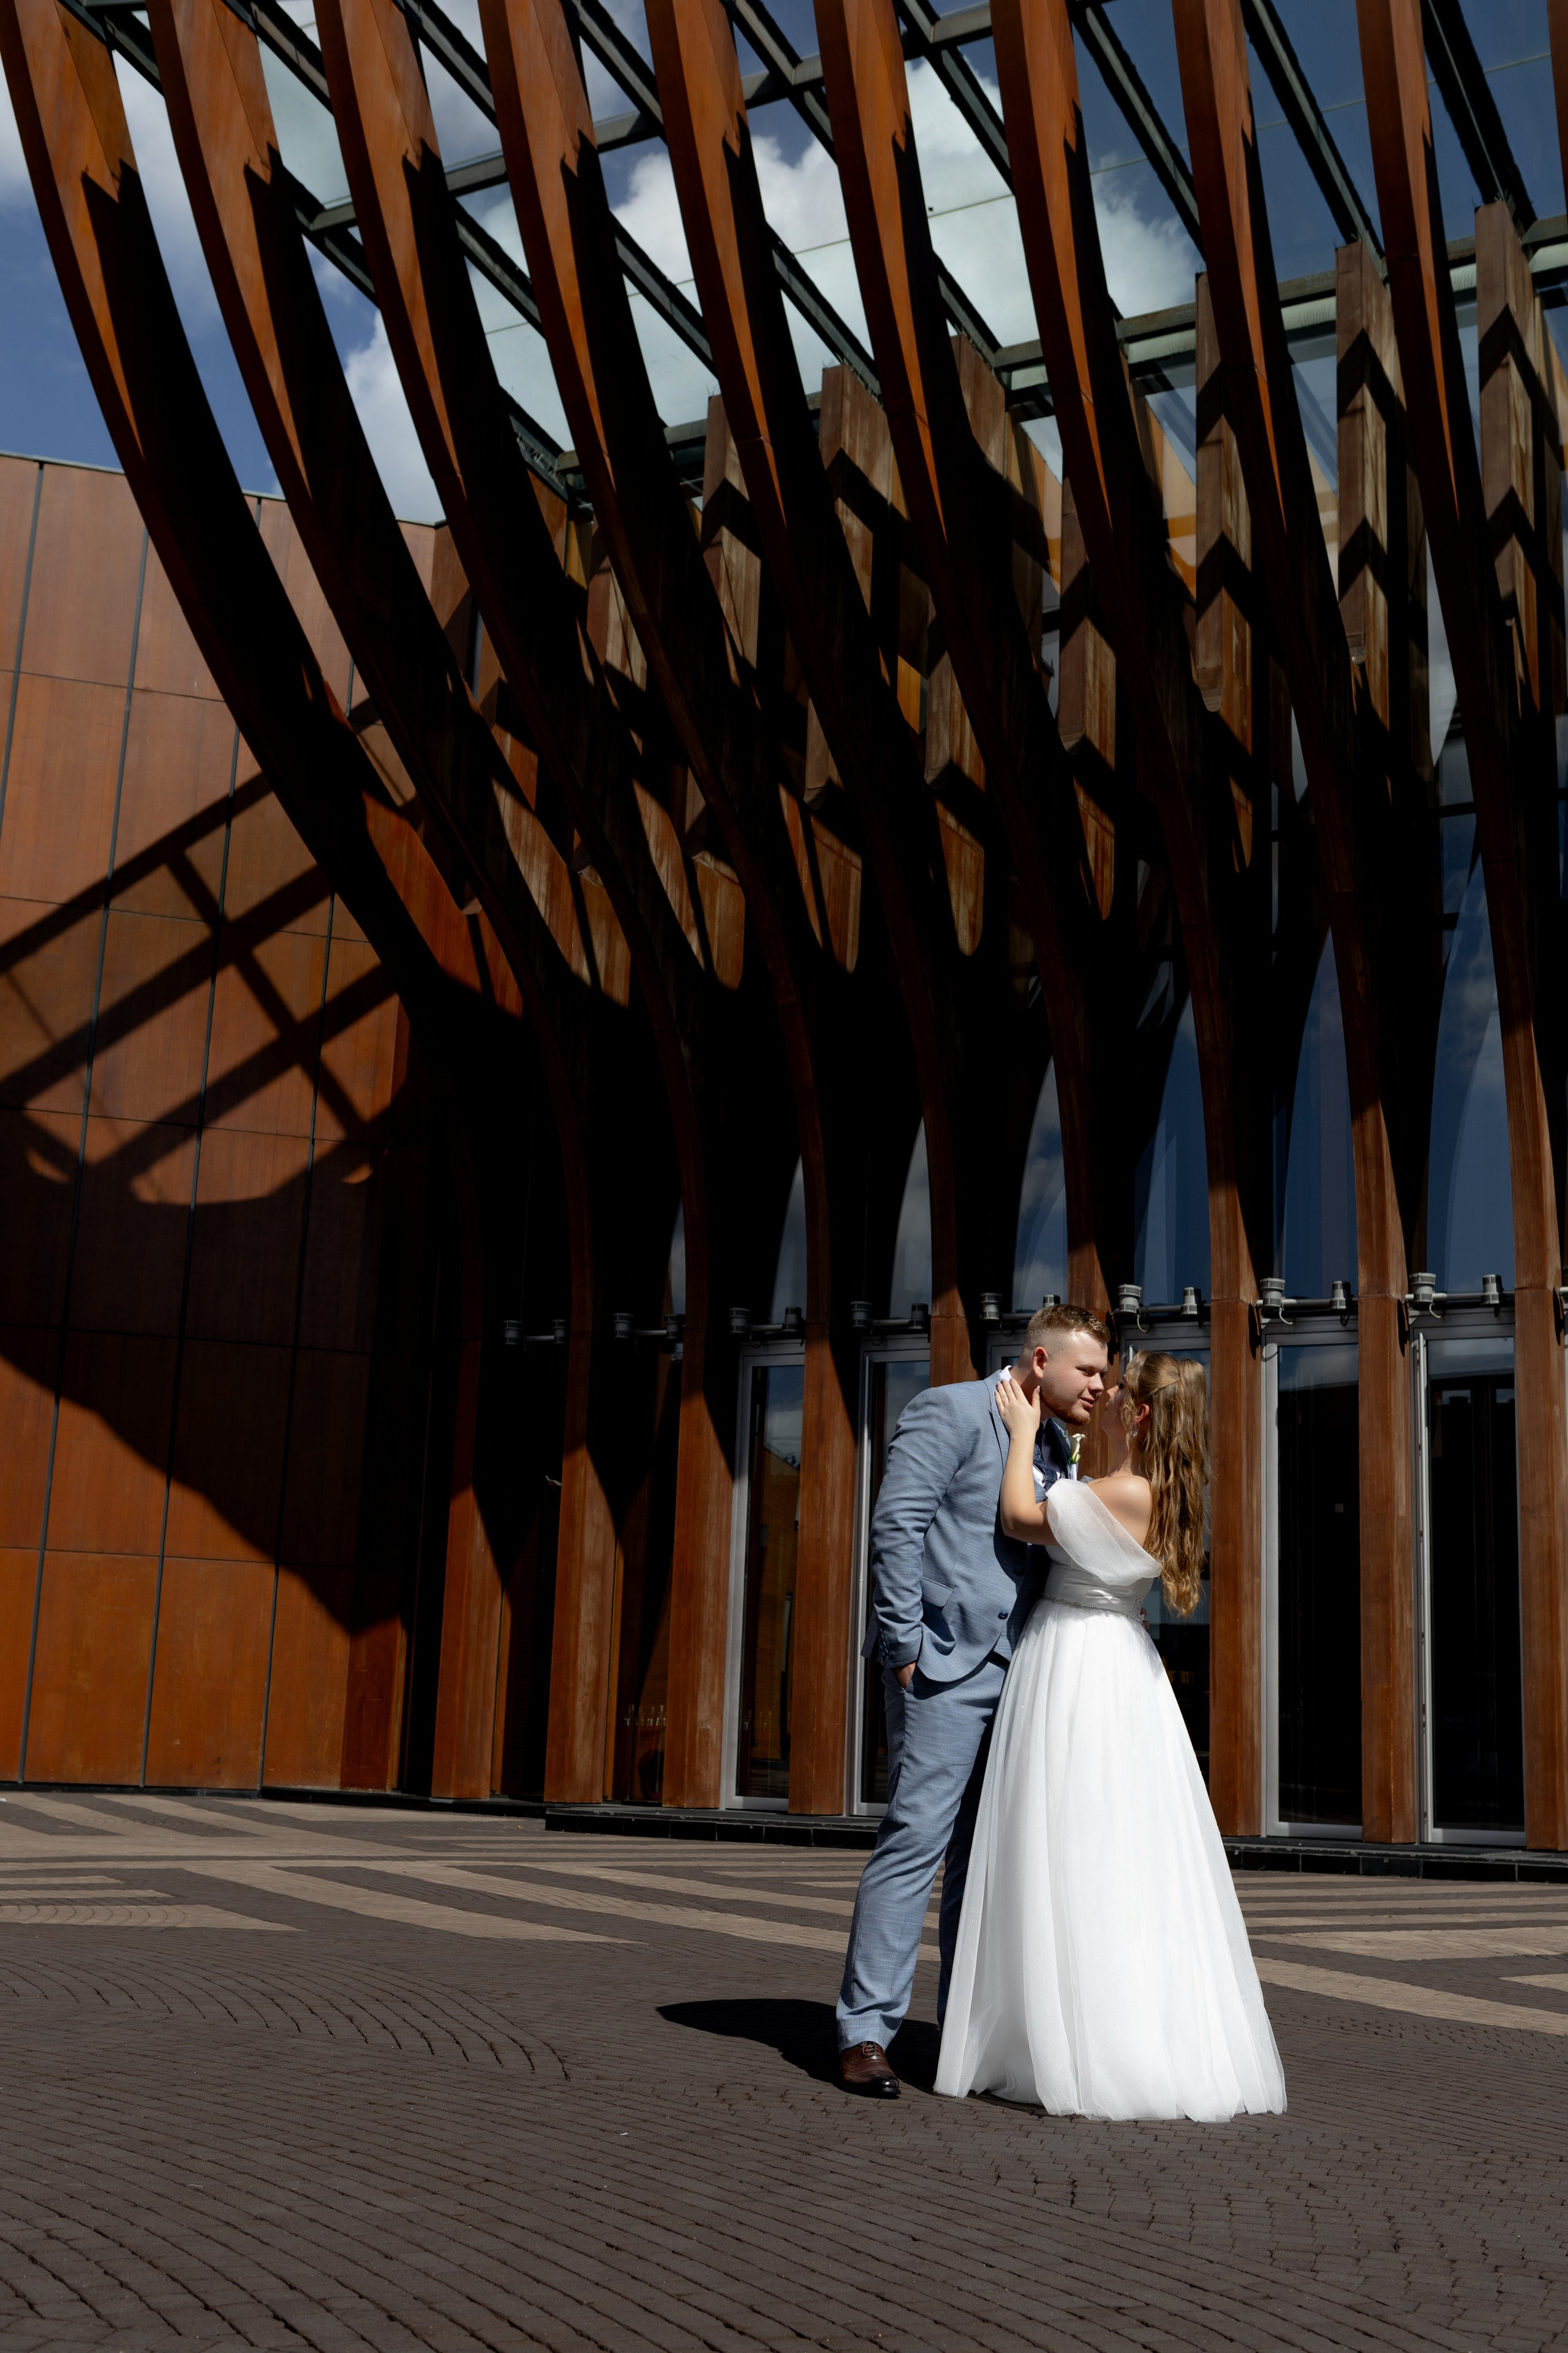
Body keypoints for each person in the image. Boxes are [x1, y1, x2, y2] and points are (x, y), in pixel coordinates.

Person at [935, 1350, 1286, 2121]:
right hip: (1120, 1667)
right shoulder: (1156, 1490)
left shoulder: (1124, 1491)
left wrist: (1024, 1431)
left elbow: (1020, 1518)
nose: (1105, 1396)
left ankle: (1080, 2038)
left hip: (1079, 1664)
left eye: (1118, 1390)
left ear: (1142, 1413)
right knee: (1115, 1846)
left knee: (1072, 1840)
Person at [835, 1302, 1111, 2096]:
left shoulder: (1056, 1441)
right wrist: (904, 1646)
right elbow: (897, 1526)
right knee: (916, 1841)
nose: (1100, 1382)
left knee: (981, 1863)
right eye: (1087, 1368)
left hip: (1023, 1675)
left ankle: (958, 2036)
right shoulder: (950, 1409)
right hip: (943, 1666)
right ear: (1038, 1359)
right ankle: (864, 2033)